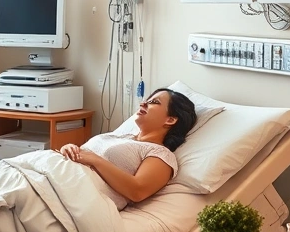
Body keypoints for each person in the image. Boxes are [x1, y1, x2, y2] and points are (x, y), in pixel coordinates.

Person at [55, 88, 197, 209]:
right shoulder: (121, 137)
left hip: (74, 193)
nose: (143, 103)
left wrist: (95, 160)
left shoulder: (160, 153)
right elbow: (84, 154)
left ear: (170, 119)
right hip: (58, 174)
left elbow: (138, 191)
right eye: (146, 100)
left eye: (154, 102)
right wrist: (69, 149)